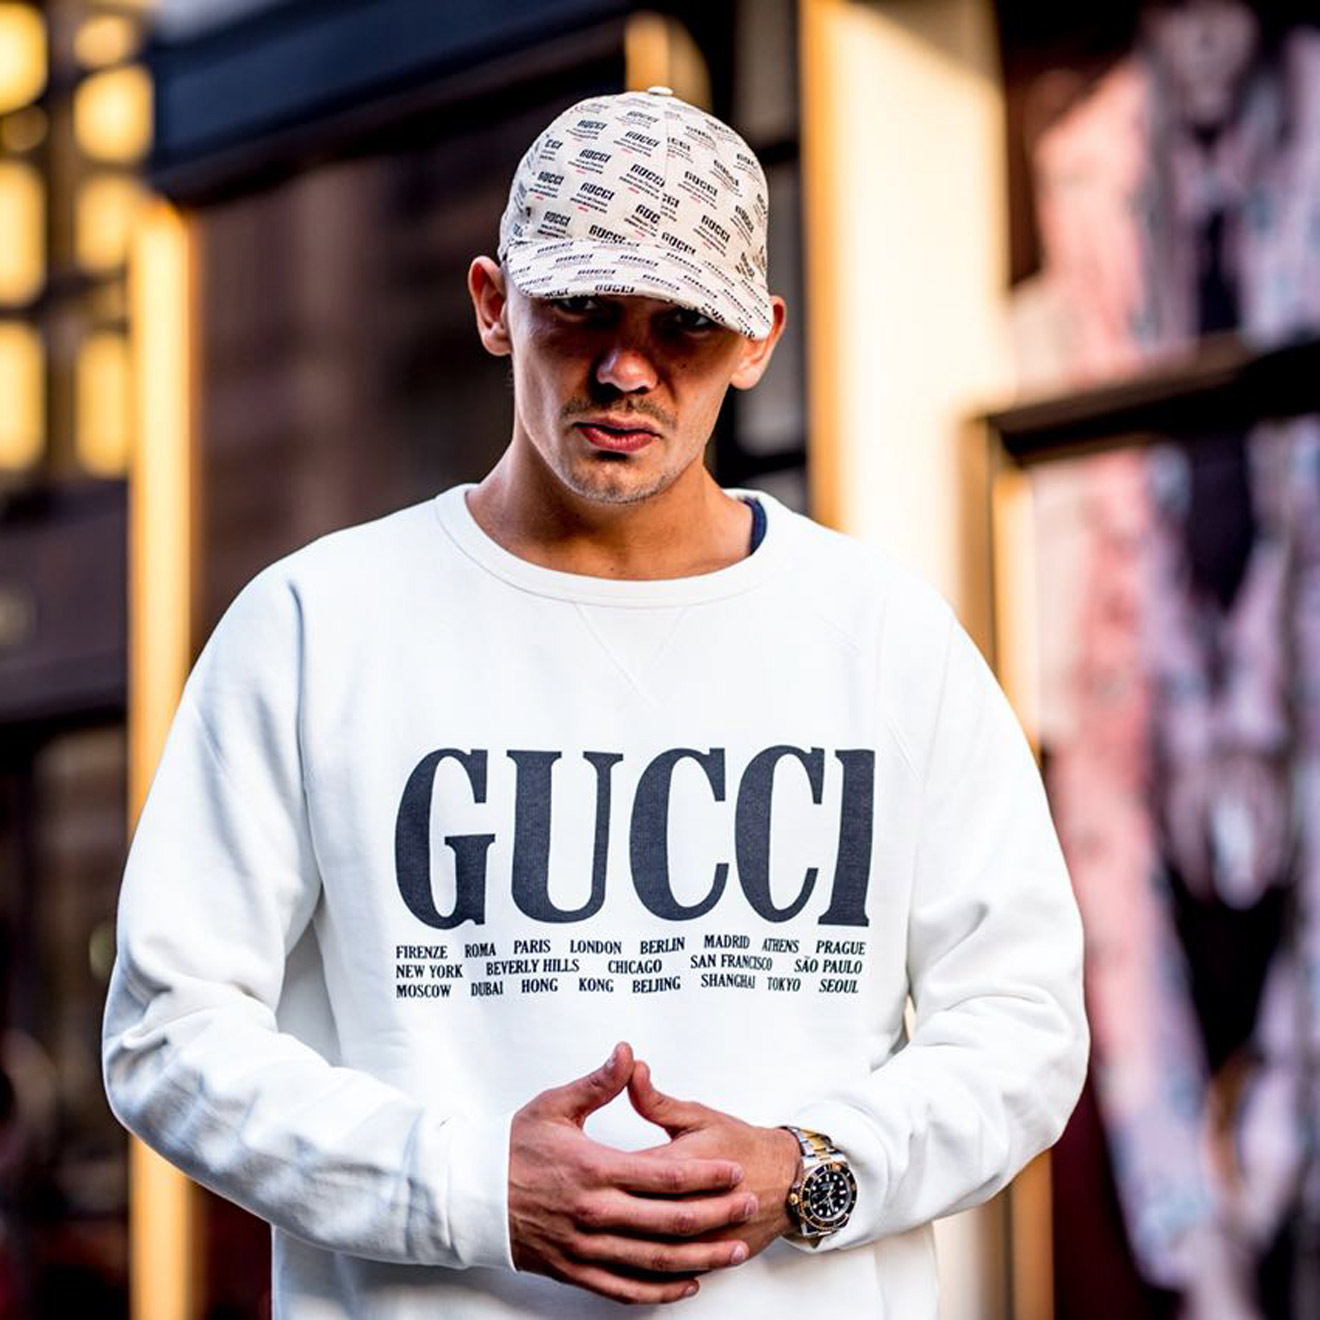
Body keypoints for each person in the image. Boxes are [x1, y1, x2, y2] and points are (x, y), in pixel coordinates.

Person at [103, 86, 1088, 1317]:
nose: (627, 369)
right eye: (581, 308)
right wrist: (468, 1188)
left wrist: (811, 1171)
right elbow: (168, 1032)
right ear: (493, 305)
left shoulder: (886, 639)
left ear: (759, 341)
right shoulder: (315, 627)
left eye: (685, 323)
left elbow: (1022, 1022)